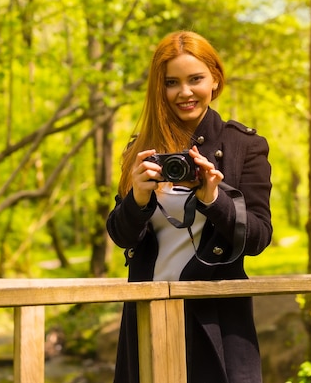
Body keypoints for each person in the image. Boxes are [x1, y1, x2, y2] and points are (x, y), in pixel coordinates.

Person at [106, 30, 273, 383]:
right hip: (148, 314)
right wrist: (137, 198)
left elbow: (258, 238)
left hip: (217, 316)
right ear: (160, 88)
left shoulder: (245, 146)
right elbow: (121, 237)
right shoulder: (142, 148)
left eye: (195, 79)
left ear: (215, 79)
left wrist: (214, 199)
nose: (184, 92)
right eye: (172, 82)